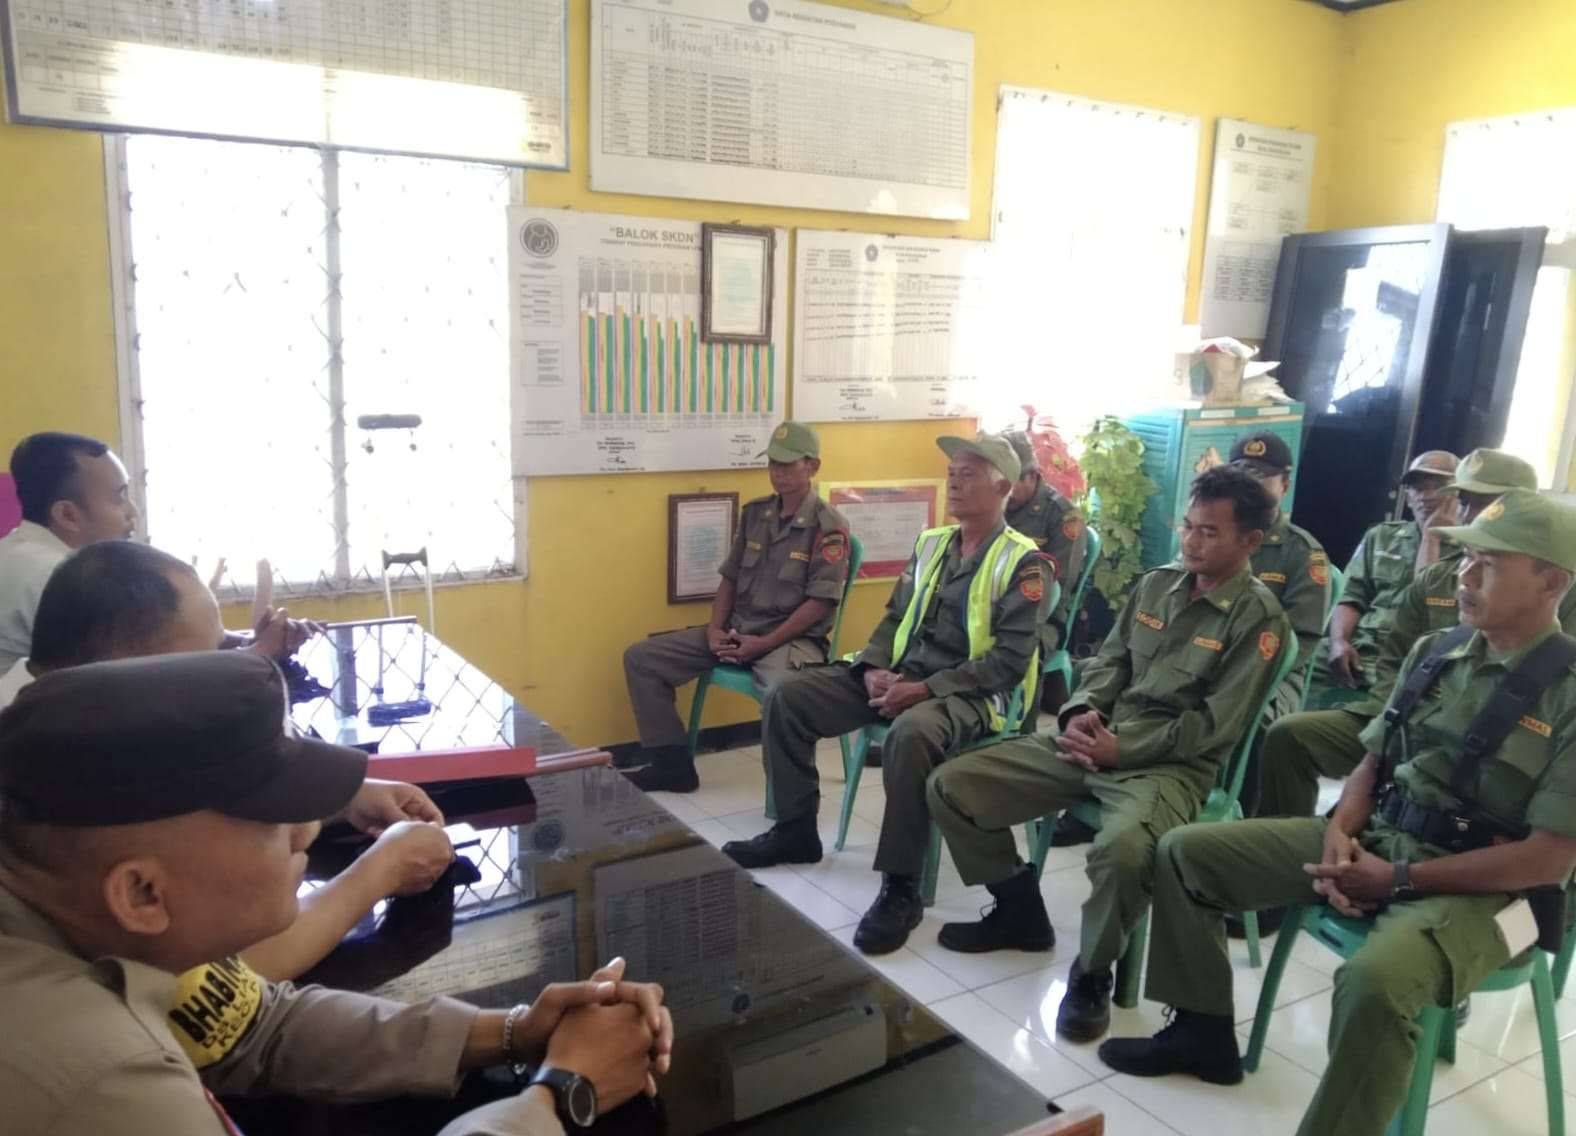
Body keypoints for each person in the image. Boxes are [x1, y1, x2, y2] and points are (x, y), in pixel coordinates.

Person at [0, 651, 673, 1135]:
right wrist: (561, 1097)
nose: (306, 830)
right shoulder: (99, 1080)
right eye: (273, 818)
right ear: (143, 892)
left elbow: (255, 1028)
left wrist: (515, 1032)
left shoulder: (82, 917)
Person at [1098, 487, 1576, 1136]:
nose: (1464, 576)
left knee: (1375, 981)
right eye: (1466, 560)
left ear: (1552, 581)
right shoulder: (1437, 651)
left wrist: (1398, 881)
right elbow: (1371, 764)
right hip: (1386, 839)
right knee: (1185, 853)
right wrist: (1341, 835)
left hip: (1502, 900)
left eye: (1488, 565)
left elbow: (1549, 861)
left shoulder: (1567, 694)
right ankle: (1201, 1031)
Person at [924, 465, 1290, 1044]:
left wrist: (1125, 749)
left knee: (1122, 852)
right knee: (952, 785)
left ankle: (1092, 973)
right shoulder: (1158, 584)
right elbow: (1110, 662)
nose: (1191, 542)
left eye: (1209, 532)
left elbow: (1215, 727)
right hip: (1095, 737)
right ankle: (1018, 907)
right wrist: (1080, 711)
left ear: (1250, 541)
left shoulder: (1258, 619)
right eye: (1188, 526)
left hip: (1168, 767)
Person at [1, 539, 455, 988]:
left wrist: (342, 799)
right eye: (210, 660)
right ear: (132, 674)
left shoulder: (62, 719)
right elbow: (221, 970)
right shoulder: (40, 771)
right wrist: (380, 871)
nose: (226, 669)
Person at [722, 432, 1050, 957]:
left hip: (968, 694)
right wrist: (874, 667)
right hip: (900, 674)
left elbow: (1009, 663)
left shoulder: (1024, 562)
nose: (953, 483)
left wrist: (925, 689)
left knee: (910, 735)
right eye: (951, 474)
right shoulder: (932, 543)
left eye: (967, 475)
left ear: (1002, 487)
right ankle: (795, 829)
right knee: (788, 696)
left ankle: (901, 886)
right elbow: (895, 616)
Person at [1258, 449, 1540, 824]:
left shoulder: (1537, 586)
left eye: (1481, 502)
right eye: (1466, 501)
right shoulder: (1416, 554)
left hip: (1467, 734)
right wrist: (1390, 715)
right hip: (1395, 698)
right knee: (1284, 731)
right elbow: (1398, 649)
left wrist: (1433, 539)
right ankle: (1285, 833)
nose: (1469, 513)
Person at [622, 421, 852, 793]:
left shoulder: (829, 526)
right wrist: (715, 629)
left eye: (788, 464)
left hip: (789, 641)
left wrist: (763, 644)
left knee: (782, 694)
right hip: (738, 630)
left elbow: (819, 603)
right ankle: (672, 767)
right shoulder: (755, 514)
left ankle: (790, 797)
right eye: (773, 463)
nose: (777, 472)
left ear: (812, 466)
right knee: (642, 660)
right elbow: (730, 578)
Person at [1312, 449, 1458, 697]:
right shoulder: (1382, 536)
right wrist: (1339, 642)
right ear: (1408, 497)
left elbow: (1422, 604)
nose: (1426, 496)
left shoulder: (1472, 552)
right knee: (1291, 660)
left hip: (1412, 657)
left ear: (1458, 495)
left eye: (1438, 486)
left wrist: (1431, 538)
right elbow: (1351, 596)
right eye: (1418, 488)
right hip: (1361, 646)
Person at [0, 432, 138, 672]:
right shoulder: (60, 577)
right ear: (67, 515)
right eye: (120, 498)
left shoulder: (13, 548)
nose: (132, 512)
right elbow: (120, 673)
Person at [1003, 430, 1088, 713]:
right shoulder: (995, 504)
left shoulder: (1063, 515)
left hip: (1043, 617)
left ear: (1032, 475)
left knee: (1019, 649)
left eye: (1011, 482)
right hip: (990, 604)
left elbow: (1058, 587)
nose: (1005, 491)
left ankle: (1019, 723)